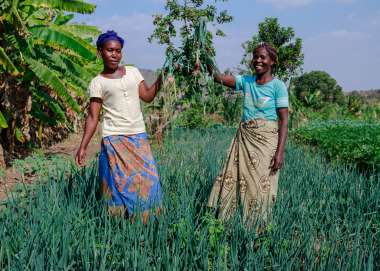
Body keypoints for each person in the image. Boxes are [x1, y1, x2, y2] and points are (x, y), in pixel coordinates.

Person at [75, 31, 163, 223]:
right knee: (117, 182)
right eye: (110, 50)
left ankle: (148, 223)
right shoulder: (97, 82)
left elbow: (147, 96)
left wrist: (162, 77)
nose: (115, 54)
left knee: (149, 180)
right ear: (100, 52)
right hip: (114, 138)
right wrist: (83, 146)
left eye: (118, 50)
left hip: (138, 136)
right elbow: (93, 116)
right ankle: (120, 224)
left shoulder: (132, 71)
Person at [207, 42, 289, 224]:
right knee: (236, 179)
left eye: (262, 57)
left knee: (261, 184)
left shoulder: (278, 86)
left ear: (272, 61)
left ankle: (258, 225)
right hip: (245, 136)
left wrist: (280, 152)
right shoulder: (246, 81)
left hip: (266, 140)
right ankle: (230, 221)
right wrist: (205, 57)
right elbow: (217, 77)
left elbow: (284, 121)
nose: (258, 60)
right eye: (255, 56)